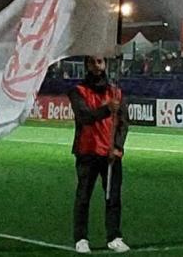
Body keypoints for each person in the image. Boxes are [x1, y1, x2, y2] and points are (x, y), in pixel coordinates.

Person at [68, 56, 130, 254]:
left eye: (100, 62)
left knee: (113, 198)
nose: (97, 66)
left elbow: (123, 123)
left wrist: (118, 147)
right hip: (87, 152)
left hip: (110, 154)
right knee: (83, 197)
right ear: (87, 65)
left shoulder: (116, 92)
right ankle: (81, 238)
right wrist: (106, 109)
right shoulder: (78, 91)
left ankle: (114, 237)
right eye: (93, 62)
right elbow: (85, 117)